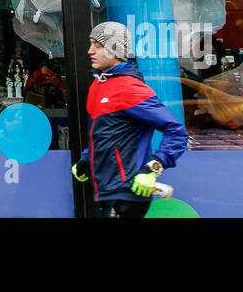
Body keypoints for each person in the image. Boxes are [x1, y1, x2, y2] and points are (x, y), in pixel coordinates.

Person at [73, 21, 188, 218]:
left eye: (98, 46)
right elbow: (105, 133)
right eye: (91, 44)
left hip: (128, 191)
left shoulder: (130, 88)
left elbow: (177, 132)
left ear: (115, 50)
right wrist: (86, 158)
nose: (90, 51)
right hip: (106, 189)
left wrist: (152, 168)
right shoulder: (98, 86)